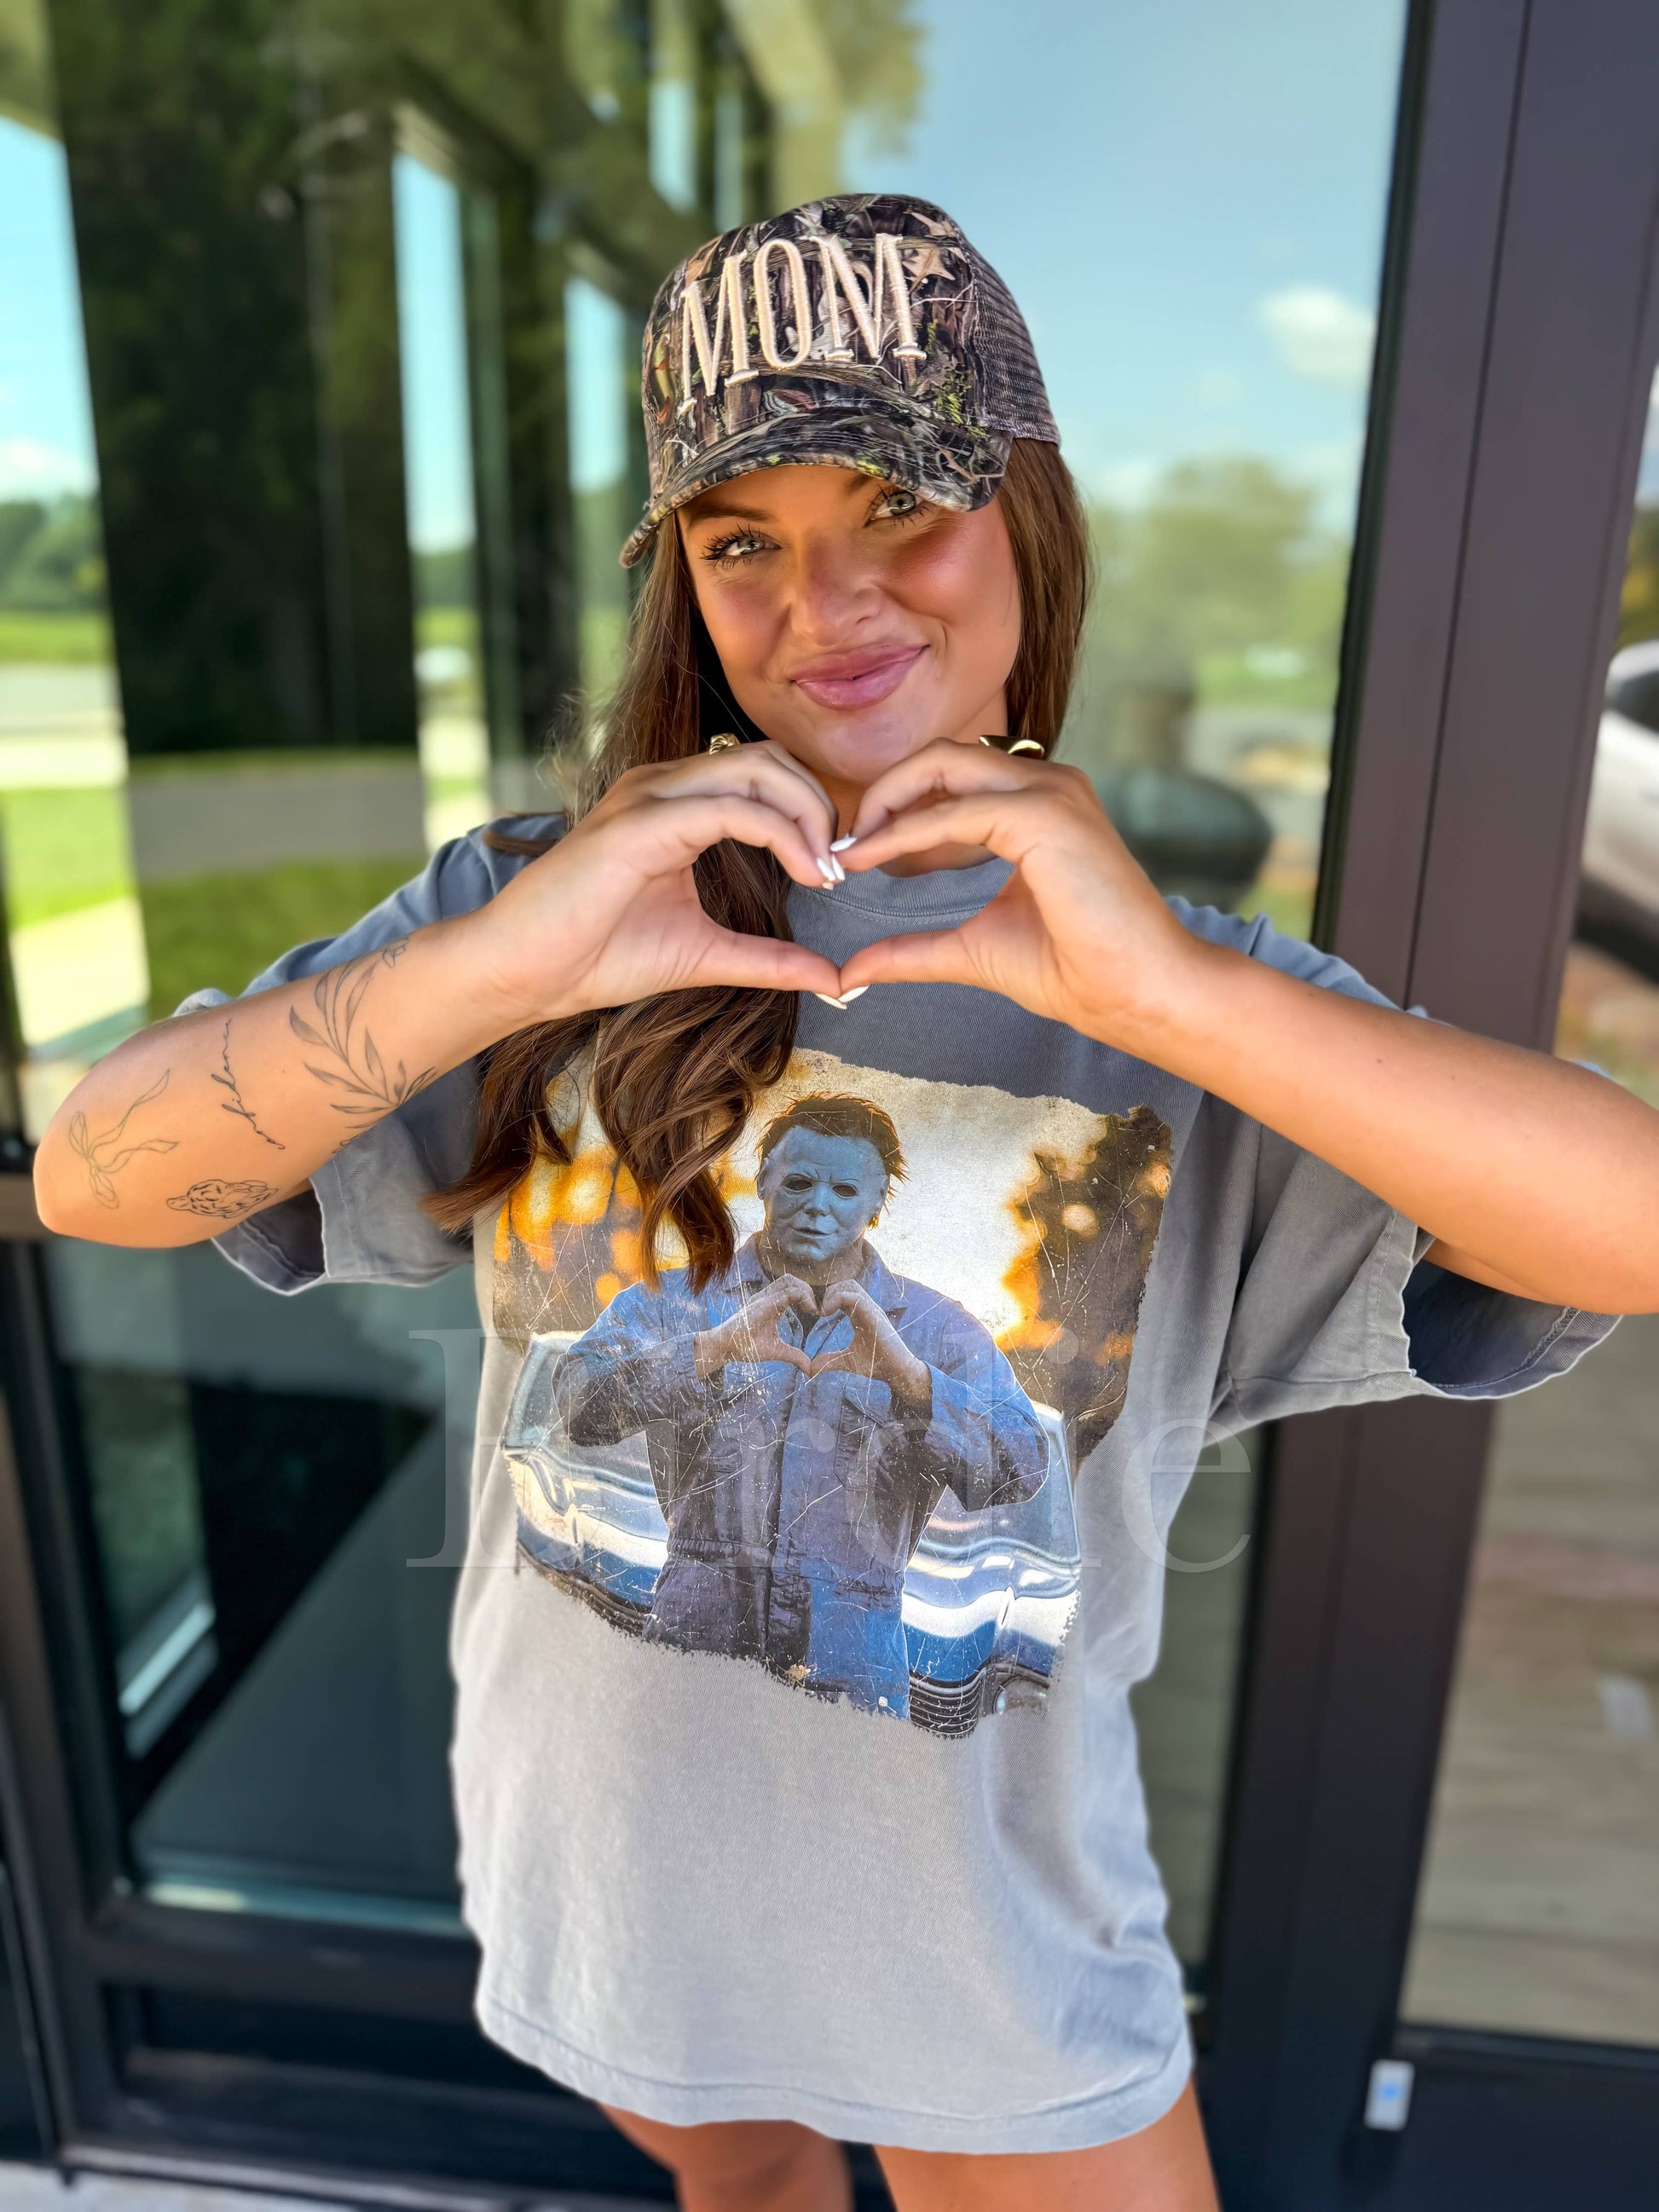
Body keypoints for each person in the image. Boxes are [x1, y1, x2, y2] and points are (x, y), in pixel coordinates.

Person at [34, 192, 1659, 2211]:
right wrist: (504, 963)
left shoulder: (1170, 990)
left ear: (1029, 522)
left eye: (903, 499)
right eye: (743, 538)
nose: (828, 597)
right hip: (613, 1891)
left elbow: (1625, 1224)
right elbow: (97, 1177)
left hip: (988, 1955)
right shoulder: (543, 920)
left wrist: (1175, 995)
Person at [532, 1092, 1047, 1716]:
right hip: (688, 1662)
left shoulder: (941, 1329)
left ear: (878, 1203)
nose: (818, 1205)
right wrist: (708, 1351)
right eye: (799, 1181)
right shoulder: (673, 1297)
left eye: (845, 1191)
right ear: (766, 1179)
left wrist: (913, 1381)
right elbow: (578, 1398)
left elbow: (1024, 1463)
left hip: (853, 1689)